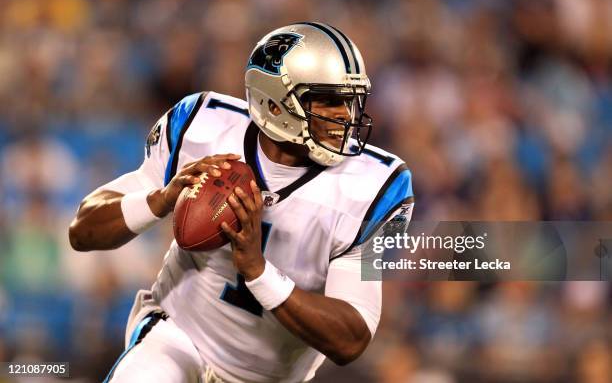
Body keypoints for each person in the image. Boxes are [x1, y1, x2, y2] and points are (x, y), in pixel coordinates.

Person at [69, 22, 414, 383]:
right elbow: (82, 231)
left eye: (351, 100)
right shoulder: (199, 125)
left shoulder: (381, 188)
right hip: (177, 336)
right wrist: (161, 199)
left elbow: (352, 336)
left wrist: (258, 270)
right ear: (276, 105)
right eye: (328, 100)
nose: (347, 115)